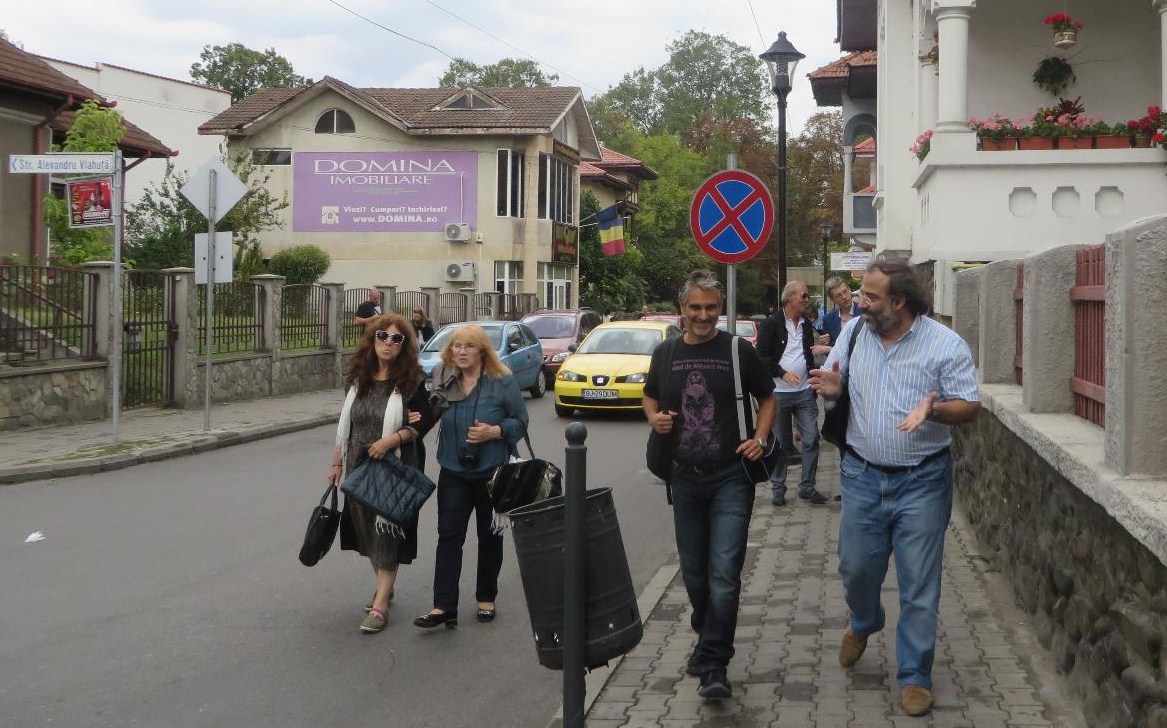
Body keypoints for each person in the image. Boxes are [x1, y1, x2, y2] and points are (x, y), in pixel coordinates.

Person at [808, 260, 980, 717]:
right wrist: (833, 386)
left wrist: (936, 411)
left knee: (919, 583)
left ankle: (914, 675)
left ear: (899, 302)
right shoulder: (857, 333)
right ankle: (865, 621)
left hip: (923, 480)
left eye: (870, 296)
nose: (859, 302)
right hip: (862, 476)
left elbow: (970, 406)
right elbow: (841, 379)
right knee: (855, 568)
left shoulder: (944, 345)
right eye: (860, 294)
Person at [642, 269, 776, 701]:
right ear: (682, 309)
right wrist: (654, 418)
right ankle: (705, 638)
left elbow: (768, 396)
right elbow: (650, 393)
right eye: (695, 307)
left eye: (711, 308)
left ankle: (715, 662)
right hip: (683, 477)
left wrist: (759, 438)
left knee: (723, 573)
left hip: (730, 477)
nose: (703, 316)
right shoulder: (665, 354)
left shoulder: (737, 350)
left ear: (720, 310)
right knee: (696, 574)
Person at [414, 324, 529, 630]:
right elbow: (429, 411)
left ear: (482, 351)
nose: (461, 352)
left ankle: (486, 597)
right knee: (448, 536)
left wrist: (496, 431)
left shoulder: (501, 380)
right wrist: (413, 417)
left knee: (489, 537)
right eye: (456, 346)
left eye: (468, 346)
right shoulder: (443, 376)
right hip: (453, 471)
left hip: (492, 472)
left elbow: (520, 420)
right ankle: (443, 606)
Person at [327, 313, 436, 634]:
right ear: (372, 340)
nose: (388, 343)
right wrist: (335, 463)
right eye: (382, 337)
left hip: (396, 465)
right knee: (367, 533)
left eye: (396, 339)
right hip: (359, 467)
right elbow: (346, 427)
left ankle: (381, 605)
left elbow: (424, 420)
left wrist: (391, 440)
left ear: (405, 345)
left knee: (387, 531)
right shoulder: (358, 378)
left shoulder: (413, 381)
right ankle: (385, 586)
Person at [756, 281, 832, 506]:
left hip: (804, 392)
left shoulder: (807, 325)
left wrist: (812, 377)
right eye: (804, 295)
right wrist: (781, 373)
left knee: (811, 439)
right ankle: (778, 488)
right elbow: (762, 356)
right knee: (780, 444)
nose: (807, 299)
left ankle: (807, 487)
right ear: (789, 298)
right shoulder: (771, 323)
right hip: (778, 393)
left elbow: (809, 354)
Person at [819, 276, 862, 346]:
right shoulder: (828, 320)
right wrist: (825, 344)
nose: (844, 297)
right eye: (839, 295)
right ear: (832, 299)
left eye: (845, 291)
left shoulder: (865, 312)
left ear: (849, 289)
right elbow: (830, 350)